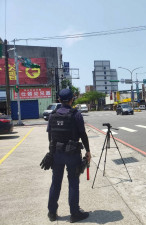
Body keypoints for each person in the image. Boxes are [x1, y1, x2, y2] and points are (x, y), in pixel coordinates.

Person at [46, 89, 91, 223]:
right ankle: (74, 213)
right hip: (72, 154)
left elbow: (50, 136)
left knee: (55, 183)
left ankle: (52, 213)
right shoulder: (76, 114)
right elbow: (83, 134)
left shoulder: (52, 115)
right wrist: (88, 151)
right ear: (72, 99)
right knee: (73, 182)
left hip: (57, 154)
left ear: (59, 100)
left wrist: (51, 151)